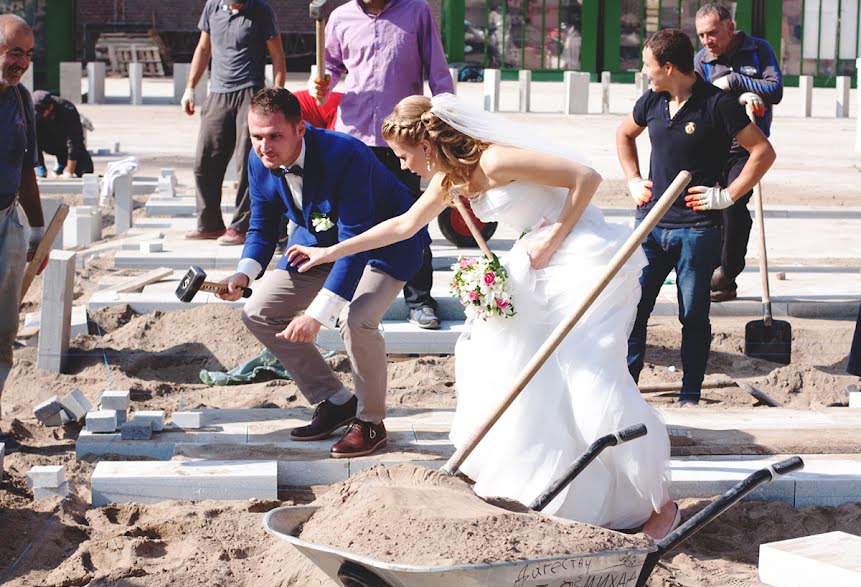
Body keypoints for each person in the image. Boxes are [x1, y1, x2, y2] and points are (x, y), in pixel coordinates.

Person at [286, 93, 678, 537]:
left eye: (404, 155)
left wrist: (553, 238)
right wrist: (330, 251)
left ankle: (659, 502)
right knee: (507, 363)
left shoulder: (494, 162)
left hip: (581, 256)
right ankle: (561, 482)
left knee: (590, 377)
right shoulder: (449, 179)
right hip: (537, 262)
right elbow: (402, 226)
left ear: (427, 145)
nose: (403, 165)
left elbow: (585, 177)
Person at [216, 88, 429, 458]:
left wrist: (317, 314)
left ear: (301, 129)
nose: (264, 146)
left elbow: (355, 238)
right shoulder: (258, 160)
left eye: (274, 136)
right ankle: (334, 399)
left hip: (385, 244)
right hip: (315, 246)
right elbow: (263, 228)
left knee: (357, 319)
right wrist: (244, 275)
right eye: (257, 136)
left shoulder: (344, 154)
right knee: (258, 310)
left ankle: (370, 421)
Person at [617, 29, 776, 406]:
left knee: (693, 314)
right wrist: (633, 180)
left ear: (669, 66)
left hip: (697, 230)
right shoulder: (652, 101)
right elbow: (624, 135)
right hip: (651, 226)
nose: (645, 73)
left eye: (648, 66)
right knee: (633, 310)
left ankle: (690, 395)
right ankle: (625, 393)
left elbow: (762, 152)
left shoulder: (717, 104)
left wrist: (727, 196)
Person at [310, 0, 454, 330]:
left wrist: (448, 125)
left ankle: (420, 300)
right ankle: (344, 297)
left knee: (413, 221)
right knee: (349, 221)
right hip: (353, 137)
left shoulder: (417, 11)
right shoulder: (339, 17)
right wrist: (323, 82)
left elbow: (438, 73)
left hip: (404, 140)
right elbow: (330, 66)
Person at [694, 3, 783, 302]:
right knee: (708, 210)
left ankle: (727, 272)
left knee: (733, 207)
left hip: (747, 146)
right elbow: (697, 101)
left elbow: (776, 89)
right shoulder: (700, 60)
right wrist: (728, 95)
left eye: (713, 33)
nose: (708, 41)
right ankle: (713, 275)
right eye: (702, 35)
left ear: (730, 27)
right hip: (712, 146)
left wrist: (735, 82)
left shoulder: (759, 49)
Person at [182, 0, 286, 246]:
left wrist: (277, 95)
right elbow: (203, 49)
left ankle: (241, 226)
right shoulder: (212, 8)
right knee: (204, 160)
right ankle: (209, 223)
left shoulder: (261, 10)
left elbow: (277, 54)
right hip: (217, 93)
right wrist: (190, 88)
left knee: (247, 161)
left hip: (250, 92)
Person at [0, 15, 45, 402]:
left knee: (4, 328)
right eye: (15, 52)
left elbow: (28, 167)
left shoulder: (20, 99)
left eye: (28, 54)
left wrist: (37, 233)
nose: (23, 63)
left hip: (9, 221)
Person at [31, 90, 94, 178]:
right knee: (31, 138)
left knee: (87, 171)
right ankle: (40, 167)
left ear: (50, 107)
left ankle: (61, 163)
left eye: (42, 112)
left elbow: (74, 141)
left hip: (65, 144)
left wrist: (69, 171)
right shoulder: (34, 112)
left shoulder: (68, 110)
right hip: (46, 142)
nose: (40, 115)